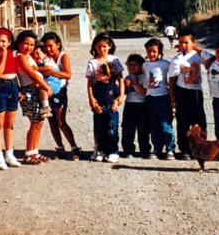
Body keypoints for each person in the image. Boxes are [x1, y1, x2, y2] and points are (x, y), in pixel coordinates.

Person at [13, 30, 53, 165]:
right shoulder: (20, 57)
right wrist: (47, 87)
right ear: (19, 43)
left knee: (39, 122)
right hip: (29, 91)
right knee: (35, 122)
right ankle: (28, 153)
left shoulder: (29, 57)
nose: (28, 47)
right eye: (26, 44)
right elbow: (32, 74)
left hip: (36, 91)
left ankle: (35, 151)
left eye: (31, 45)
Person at [168, 27, 207, 159]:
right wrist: (172, 97)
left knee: (199, 120)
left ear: (193, 42)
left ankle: (200, 147)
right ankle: (184, 148)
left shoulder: (197, 56)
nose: (183, 45)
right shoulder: (176, 59)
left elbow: (211, 59)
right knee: (183, 121)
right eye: (180, 42)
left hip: (196, 92)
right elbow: (172, 79)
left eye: (186, 42)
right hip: (182, 91)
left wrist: (196, 49)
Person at [40, 32, 81, 161]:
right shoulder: (44, 58)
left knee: (61, 121)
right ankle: (60, 147)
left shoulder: (63, 57)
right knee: (51, 121)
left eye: (51, 46)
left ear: (58, 44)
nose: (48, 49)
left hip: (60, 92)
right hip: (46, 91)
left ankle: (74, 147)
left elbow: (68, 75)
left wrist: (51, 71)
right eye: (46, 46)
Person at [0, 28, 21, 170]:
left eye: (3, 41)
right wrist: (5, 55)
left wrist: (19, 89)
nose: (0, 44)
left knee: (9, 124)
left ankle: (9, 154)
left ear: (9, 42)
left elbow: (15, 72)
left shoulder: (13, 54)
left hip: (12, 86)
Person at [86, 32, 124, 163]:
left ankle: (113, 151)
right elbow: (90, 83)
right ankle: (99, 149)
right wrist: (91, 99)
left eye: (104, 46)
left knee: (111, 128)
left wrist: (120, 96)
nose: (101, 49)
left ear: (109, 46)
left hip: (111, 97)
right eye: (98, 46)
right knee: (99, 127)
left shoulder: (114, 60)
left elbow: (120, 78)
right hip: (98, 97)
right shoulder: (92, 62)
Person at [142, 37, 175, 160]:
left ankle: (170, 149)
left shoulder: (165, 64)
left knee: (165, 124)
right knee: (153, 124)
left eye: (154, 51)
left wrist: (172, 98)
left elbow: (171, 80)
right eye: (149, 51)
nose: (151, 54)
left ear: (160, 51)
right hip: (150, 98)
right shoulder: (145, 65)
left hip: (163, 97)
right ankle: (157, 149)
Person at [121, 54, 150, 158]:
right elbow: (124, 93)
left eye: (135, 64)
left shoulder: (144, 77)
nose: (132, 67)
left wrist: (136, 82)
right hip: (130, 104)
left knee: (143, 128)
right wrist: (125, 86)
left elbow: (144, 92)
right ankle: (128, 149)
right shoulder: (128, 77)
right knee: (128, 128)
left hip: (142, 105)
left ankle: (144, 149)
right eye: (130, 65)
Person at [30, 46, 56, 119]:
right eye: (34, 54)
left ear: (45, 54)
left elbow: (49, 67)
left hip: (52, 82)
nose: (35, 55)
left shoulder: (48, 60)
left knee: (42, 89)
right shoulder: (38, 62)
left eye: (38, 53)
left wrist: (38, 69)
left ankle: (45, 107)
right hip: (46, 82)